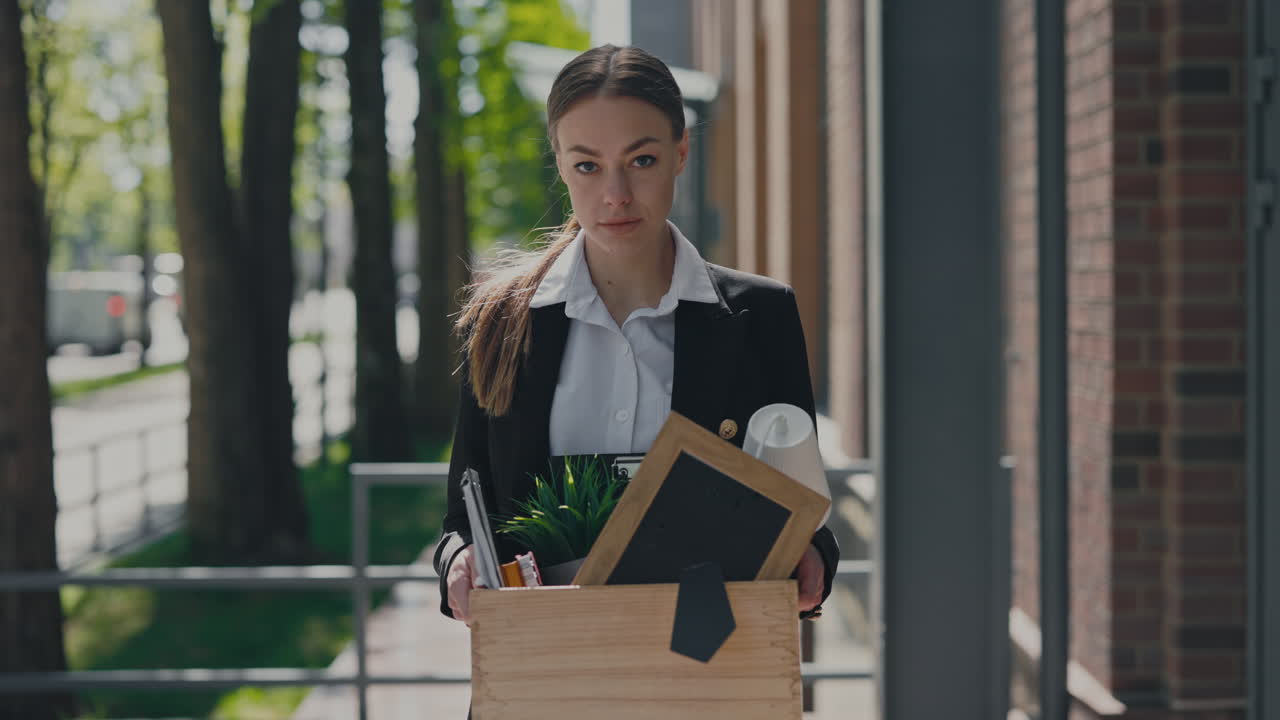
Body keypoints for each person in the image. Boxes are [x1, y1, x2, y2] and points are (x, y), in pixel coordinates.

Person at [432, 44, 839, 624]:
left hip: (713, 656)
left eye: (641, 160)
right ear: (559, 163)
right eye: (587, 166)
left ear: (680, 153)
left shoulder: (761, 316)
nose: (616, 194)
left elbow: (800, 502)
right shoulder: (500, 321)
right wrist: (458, 559)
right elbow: (463, 517)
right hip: (540, 659)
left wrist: (814, 554)